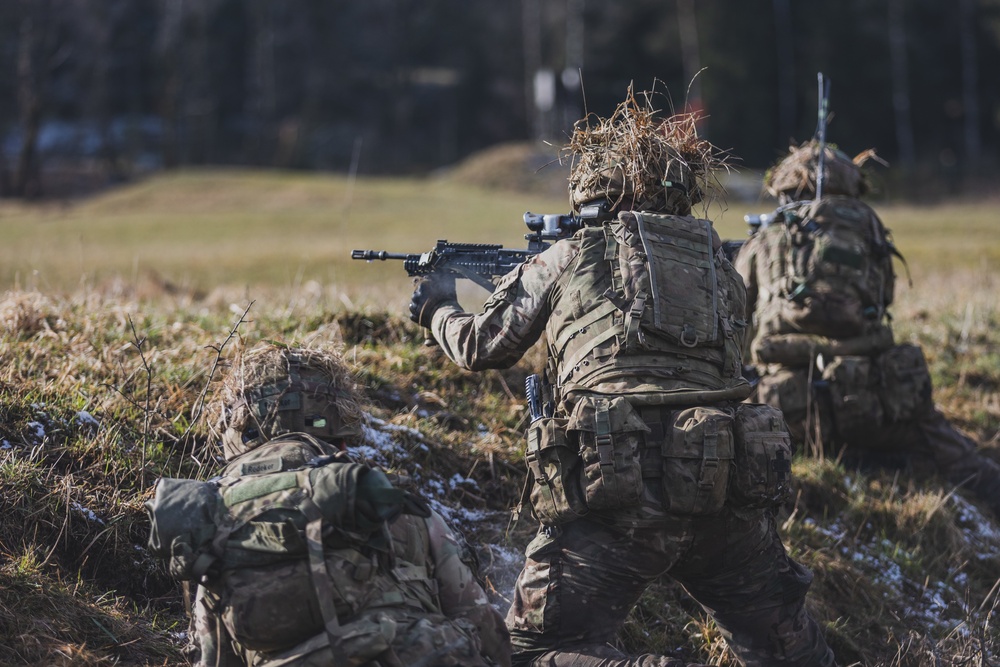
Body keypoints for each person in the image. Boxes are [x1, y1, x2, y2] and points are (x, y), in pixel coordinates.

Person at [408, 89, 836, 667]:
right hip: (724, 489)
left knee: (533, 650)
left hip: (615, 495)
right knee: (790, 650)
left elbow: (480, 347)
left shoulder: (569, 254)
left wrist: (436, 306)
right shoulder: (720, 264)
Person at [146, 343, 511, 667]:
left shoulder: (210, 514)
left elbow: (214, 654)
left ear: (236, 429)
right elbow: (480, 621)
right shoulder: (378, 495)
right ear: (340, 430)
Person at [734, 139, 1000, 515]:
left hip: (787, 412)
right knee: (962, 461)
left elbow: (737, 324)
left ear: (785, 188)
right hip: (873, 402)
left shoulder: (763, 239)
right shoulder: (871, 233)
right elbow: (884, 302)